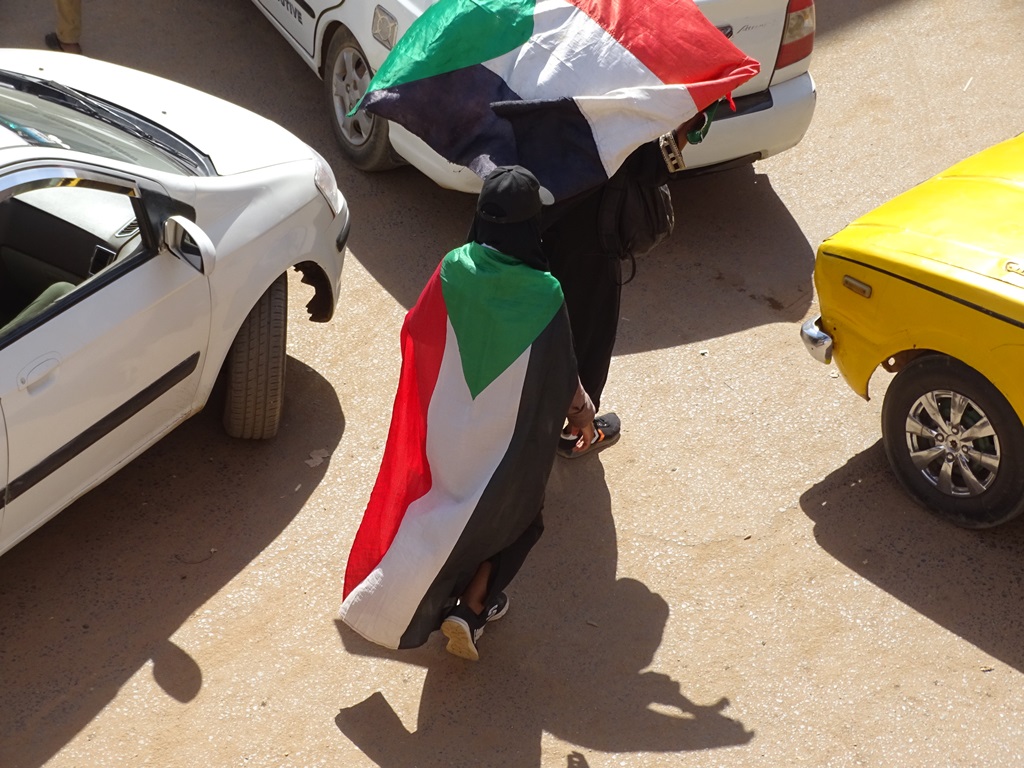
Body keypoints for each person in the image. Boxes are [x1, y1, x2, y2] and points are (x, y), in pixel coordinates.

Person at [340, 165, 596, 661]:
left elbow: (416, 329)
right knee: (518, 517)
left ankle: (386, 601)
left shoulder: (454, 265)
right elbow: (563, 372)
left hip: (447, 431)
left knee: (440, 514)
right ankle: (474, 605)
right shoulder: (545, 292)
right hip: (505, 443)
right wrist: (582, 414)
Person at [542, 113, 708, 459]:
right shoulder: (612, 108)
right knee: (588, 338)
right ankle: (576, 431)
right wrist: (688, 127)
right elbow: (651, 166)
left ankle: (538, 419)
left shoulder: (540, 96)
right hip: (591, 249)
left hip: (540, 237)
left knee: (545, 332)